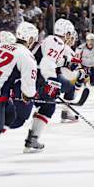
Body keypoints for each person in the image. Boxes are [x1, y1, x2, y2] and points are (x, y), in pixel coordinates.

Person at [0, 22, 38, 161]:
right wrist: (29, 96)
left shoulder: (0, 46)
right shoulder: (27, 56)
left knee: (10, 114)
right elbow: (28, 86)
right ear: (31, 39)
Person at [24, 19, 75, 153]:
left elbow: (51, 60)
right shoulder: (56, 41)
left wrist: (67, 63)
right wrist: (52, 81)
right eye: (69, 33)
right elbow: (47, 63)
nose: (70, 36)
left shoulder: (53, 41)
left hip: (36, 76)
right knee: (38, 108)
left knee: (47, 106)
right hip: (38, 77)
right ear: (65, 32)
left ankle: (32, 139)